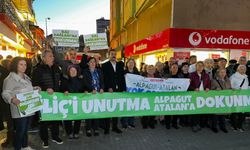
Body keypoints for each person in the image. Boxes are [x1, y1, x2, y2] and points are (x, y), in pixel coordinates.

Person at [2, 57, 40, 150]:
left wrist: (35, 89)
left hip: (29, 108)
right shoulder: (10, 79)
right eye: (21, 64)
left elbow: (27, 89)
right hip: (19, 109)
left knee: (25, 130)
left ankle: (25, 146)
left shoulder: (26, 77)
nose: (24, 67)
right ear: (15, 65)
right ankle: (18, 147)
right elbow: (5, 93)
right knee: (20, 130)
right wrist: (12, 99)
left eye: (25, 64)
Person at [32, 50, 63, 148]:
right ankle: (45, 139)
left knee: (55, 118)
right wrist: (45, 89)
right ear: (43, 58)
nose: (52, 58)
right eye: (50, 56)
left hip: (55, 98)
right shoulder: (37, 70)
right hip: (43, 99)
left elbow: (61, 81)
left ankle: (55, 136)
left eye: (53, 56)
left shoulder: (57, 68)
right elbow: (35, 85)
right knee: (44, 120)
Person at [101, 49, 125, 134]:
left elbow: (122, 78)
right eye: (112, 54)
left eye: (115, 54)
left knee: (116, 109)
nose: (113, 55)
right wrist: (108, 88)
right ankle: (107, 128)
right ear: (108, 55)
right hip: (109, 91)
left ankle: (115, 127)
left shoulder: (120, 65)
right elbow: (104, 79)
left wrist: (123, 89)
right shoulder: (104, 65)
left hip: (118, 90)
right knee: (108, 109)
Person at [60, 65, 84, 139]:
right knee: (68, 117)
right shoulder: (65, 80)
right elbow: (61, 89)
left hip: (78, 102)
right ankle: (69, 132)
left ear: (77, 72)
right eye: (71, 70)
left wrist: (85, 91)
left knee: (78, 117)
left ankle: (76, 132)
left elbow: (83, 88)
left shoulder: (80, 80)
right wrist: (64, 91)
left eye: (74, 70)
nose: (73, 72)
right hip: (68, 102)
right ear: (68, 72)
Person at [82, 57, 104, 137]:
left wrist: (102, 88)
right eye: (91, 62)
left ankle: (96, 128)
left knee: (96, 111)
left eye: (94, 62)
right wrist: (91, 89)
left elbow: (102, 81)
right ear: (88, 63)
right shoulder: (85, 71)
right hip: (89, 94)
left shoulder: (99, 71)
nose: (92, 63)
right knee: (89, 111)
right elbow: (85, 82)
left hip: (98, 94)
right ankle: (88, 128)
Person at [189, 61, 211, 132]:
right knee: (195, 110)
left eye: (201, 66)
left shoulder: (206, 75)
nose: (200, 67)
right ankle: (194, 124)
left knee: (201, 109)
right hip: (195, 95)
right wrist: (194, 89)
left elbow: (208, 84)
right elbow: (188, 85)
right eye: (198, 66)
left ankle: (200, 123)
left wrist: (208, 88)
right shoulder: (192, 75)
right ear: (196, 67)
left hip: (203, 95)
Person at [121, 58, 140, 129]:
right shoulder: (124, 72)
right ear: (127, 64)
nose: (131, 64)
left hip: (134, 93)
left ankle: (131, 123)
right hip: (126, 92)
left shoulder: (137, 72)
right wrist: (123, 90)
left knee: (132, 107)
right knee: (125, 107)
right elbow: (121, 82)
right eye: (129, 63)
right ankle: (124, 123)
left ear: (134, 64)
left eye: (132, 63)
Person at [211, 68, 231, 133]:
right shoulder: (214, 81)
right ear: (218, 73)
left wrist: (232, 89)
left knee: (223, 114)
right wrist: (215, 89)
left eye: (224, 72)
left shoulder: (228, 80)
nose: (223, 74)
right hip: (217, 100)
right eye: (221, 72)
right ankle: (214, 126)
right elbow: (211, 90)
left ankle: (223, 126)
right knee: (216, 115)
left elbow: (229, 88)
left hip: (225, 99)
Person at [230, 65, 249, 132]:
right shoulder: (233, 77)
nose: (243, 70)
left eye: (244, 69)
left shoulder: (246, 77)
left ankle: (240, 126)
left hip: (244, 97)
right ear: (237, 70)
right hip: (235, 96)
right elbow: (230, 86)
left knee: (242, 112)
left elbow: (246, 86)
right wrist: (236, 89)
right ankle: (234, 126)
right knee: (235, 112)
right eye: (241, 68)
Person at [164, 63, 181, 130]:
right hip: (168, 96)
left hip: (177, 96)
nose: (175, 69)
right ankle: (167, 124)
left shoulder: (180, 76)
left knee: (176, 111)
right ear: (170, 68)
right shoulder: (166, 76)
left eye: (176, 68)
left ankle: (174, 124)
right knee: (168, 110)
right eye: (173, 67)